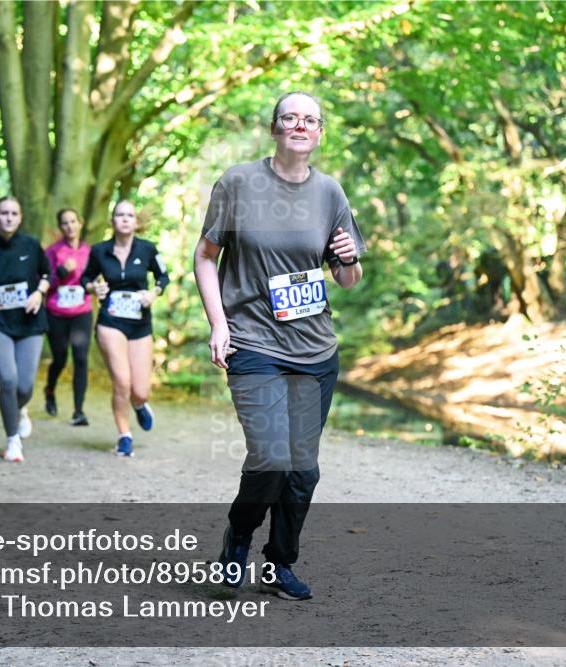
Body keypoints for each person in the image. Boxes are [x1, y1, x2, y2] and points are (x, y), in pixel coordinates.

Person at [193, 92, 366, 601]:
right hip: (253, 341)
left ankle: (279, 564)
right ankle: (237, 542)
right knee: (270, 457)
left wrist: (350, 257)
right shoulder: (239, 182)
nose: (300, 125)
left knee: (301, 469)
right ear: (274, 127)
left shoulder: (331, 193)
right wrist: (218, 324)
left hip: (314, 350)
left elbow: (348, 277)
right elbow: (205, 257)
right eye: (291, 117)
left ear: (319, 134)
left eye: (310, 119)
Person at [80, 200, 170, 457]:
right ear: (113, 221)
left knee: (139, 390)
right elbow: (85, 278)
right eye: (120, 215)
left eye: (130, 215)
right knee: (122, 381)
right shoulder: (99, 251)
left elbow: (164, 276)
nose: (125, 219)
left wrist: (154, 293)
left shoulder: (148, 249)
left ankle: (140, 404)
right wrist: (93, 288)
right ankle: (124, 435)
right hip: (111, 320)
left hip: (140, 323)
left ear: (136, 222)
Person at [0, 196, 50, 463]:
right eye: (3, 213)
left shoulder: (31, 245)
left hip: (29, 323)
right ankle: (12, 440)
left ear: (20, 217)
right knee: (7, 380)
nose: (8, 218)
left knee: (25, 386)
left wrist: (39, 293)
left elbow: (47, 276)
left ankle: (19, 410)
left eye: (14, 213)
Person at [43, 208, 92, 426]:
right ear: (60, 227)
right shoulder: (53, 251)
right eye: (65, 223)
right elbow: (43, 282)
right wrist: (62, 271)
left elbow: (93, 279)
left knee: (81, 359)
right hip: (56, 313)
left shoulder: (90, 252)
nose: (70, 226)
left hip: (82, 312)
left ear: (80, 223)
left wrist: (95, 285)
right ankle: (50, 389)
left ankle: (78, 411)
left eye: (73, 221)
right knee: (60, 358)